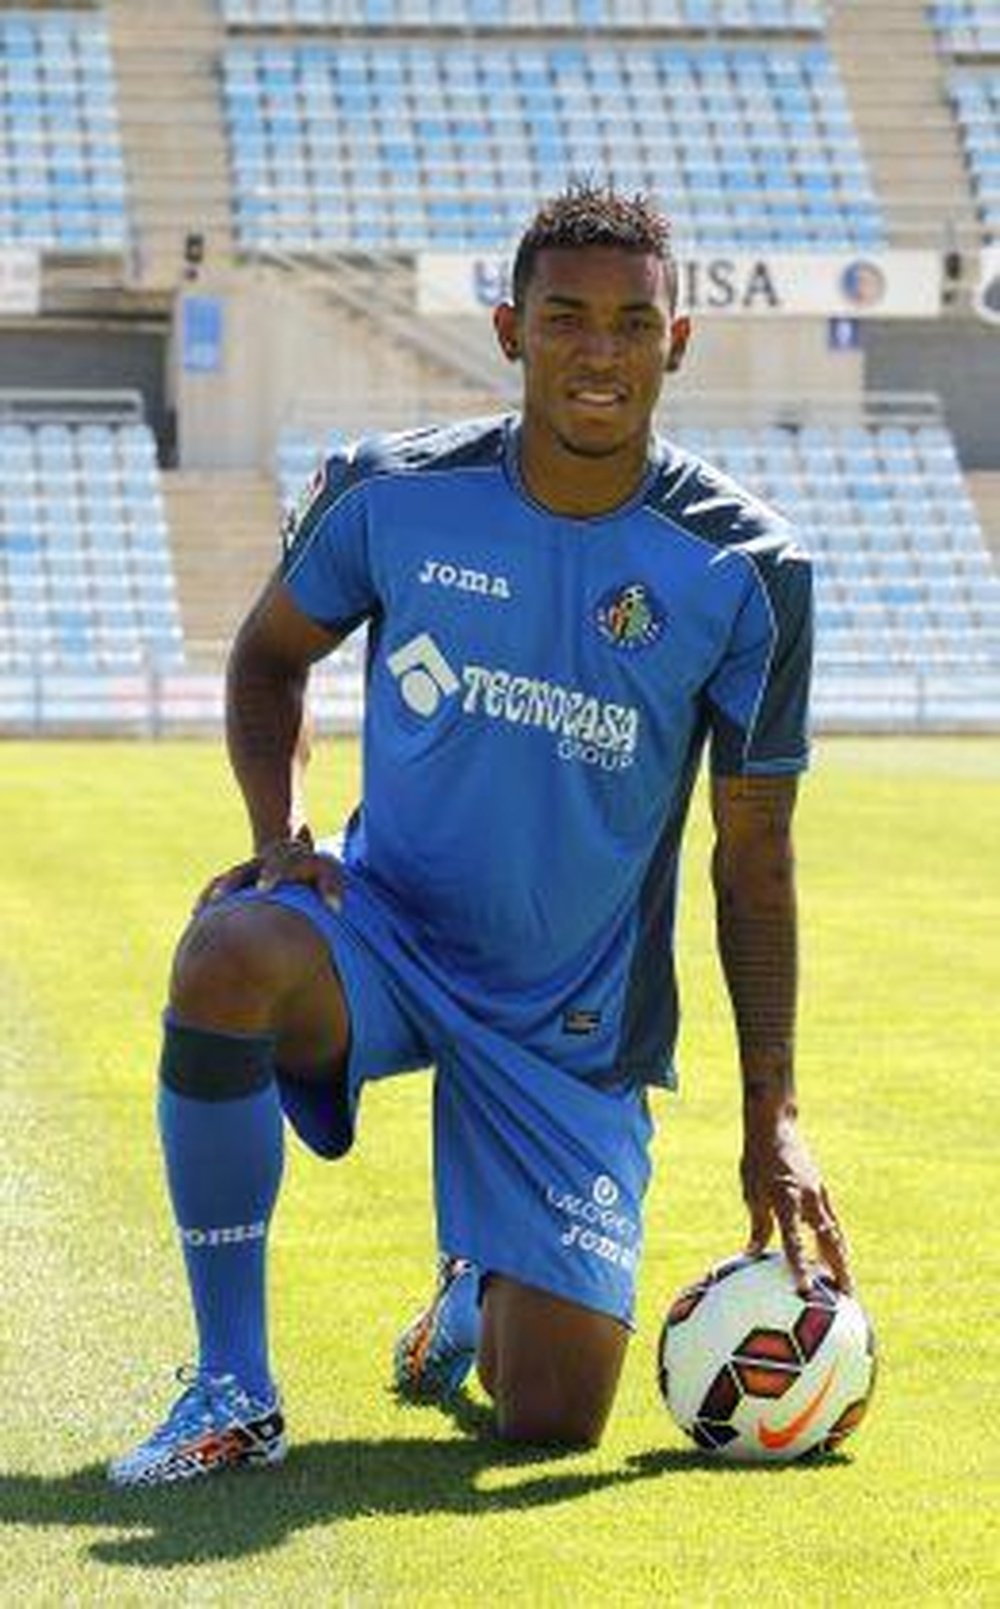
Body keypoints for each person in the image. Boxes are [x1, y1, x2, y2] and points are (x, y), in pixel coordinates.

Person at [109, 180, 853, 1486]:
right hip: (385, 934)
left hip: (570, 1020)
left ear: (676, 342)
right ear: (510, 330)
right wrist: (278, 828)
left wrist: (772, 1107)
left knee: (550, 1416)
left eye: (632, 324)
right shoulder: (393, 493)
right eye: (566, 318)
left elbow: (758, 855)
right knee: (226, 951)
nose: (599, 352)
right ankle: (232, 1385)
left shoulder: (746, 567)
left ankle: (474, 1294)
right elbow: (269, 657)